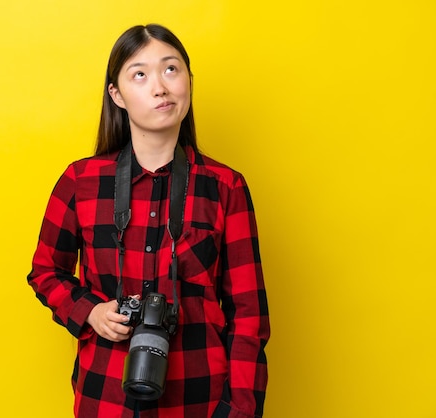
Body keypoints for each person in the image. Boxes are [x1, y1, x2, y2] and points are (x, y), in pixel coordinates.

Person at [27, 24, 269, 418]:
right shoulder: (81, 181)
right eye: (140, 74)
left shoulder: (226, 187)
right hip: (104, 396)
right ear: (117, 95)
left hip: (200, 400)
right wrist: (90, 311)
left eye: (171, 70)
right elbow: (45, 271)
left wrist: (239, 410)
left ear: (189, 81)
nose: (160, 87)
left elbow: (249, 316)